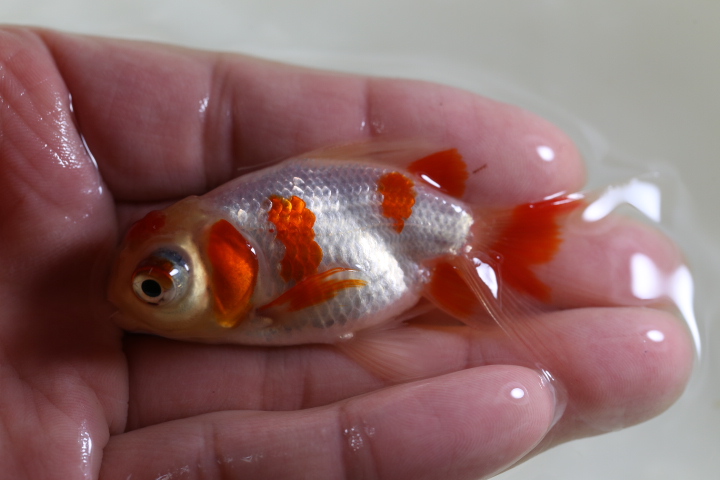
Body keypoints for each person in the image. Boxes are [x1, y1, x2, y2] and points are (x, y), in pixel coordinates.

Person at [0, 27, 693, 479]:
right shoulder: (228, 239)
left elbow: (339, 287)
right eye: (154, 287)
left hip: (397, 233)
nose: (139, 296)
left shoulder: (254, 269)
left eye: (157, 288)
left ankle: (540, 235)